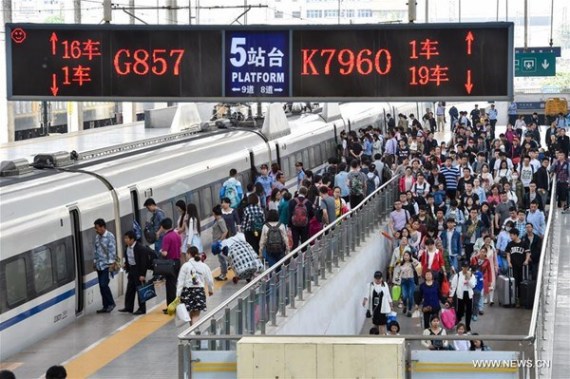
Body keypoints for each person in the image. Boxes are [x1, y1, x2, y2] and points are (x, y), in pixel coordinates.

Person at [177, 246, 214, 326]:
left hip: (187, 292)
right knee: (196, 314)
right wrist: (210, 290)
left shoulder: (185, 265)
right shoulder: (204, 266)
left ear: (189, 254)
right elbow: (209, 280)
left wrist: (178, 295)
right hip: (199, 291)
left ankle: (192, 331)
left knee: (191, 313)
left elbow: (180, 282)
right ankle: (194, 331)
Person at [120, 230, 149, 315]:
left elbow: (144, 262)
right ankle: (128, 307)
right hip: (131, 270)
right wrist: (126, 266)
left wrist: (142, 274)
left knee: (140, 290)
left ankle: (142, 308)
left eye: (127, 238)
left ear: (132, 239)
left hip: (138, 270)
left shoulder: (140, 248)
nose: (125, 240)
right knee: (130, 289)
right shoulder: (127, 248)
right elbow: (129, 259)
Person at [93, 218, 117, 314]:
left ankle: (111, 303)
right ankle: (105, 305)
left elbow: (112, 251)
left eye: (97, 228)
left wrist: (111, 264)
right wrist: (95, 261)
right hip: (99, 265)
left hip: (107, 265)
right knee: (101, 286)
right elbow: (95, 250)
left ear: (103, 227)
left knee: (104, 285)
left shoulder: (110, 236)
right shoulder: (97, 237)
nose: (96, 230)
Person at [159, 218, 182, 314]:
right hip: (177, 262)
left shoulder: (166, 237)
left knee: (170, 286)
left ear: (163, 227)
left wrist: (160, 251)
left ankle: (171, 307)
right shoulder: (176, 235)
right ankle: (171, 306)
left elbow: (164, 253)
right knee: (173, 284)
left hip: (170, 264)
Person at [505, 228, 531, 307]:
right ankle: (514, 299)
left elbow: (528, 253)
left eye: (512, 235)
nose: (511, 237)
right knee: (514, 283)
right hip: (513, 266)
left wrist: (526, 260)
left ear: (516, 235)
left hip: (522, 266)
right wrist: (509, 262)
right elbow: (508, 254)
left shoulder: (524, 243)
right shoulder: (510, 244)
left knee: (521, 283)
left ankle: (521, 299)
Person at [449, 261, 476, 331]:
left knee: (469, 311)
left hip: (469, 294)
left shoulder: (472, 275)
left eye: (467, 267)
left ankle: (467, 325)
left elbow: (473, 285)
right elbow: (453, 286)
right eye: (464, 267)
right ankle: (456, 323)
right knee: (459, 311)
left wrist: (468, 280)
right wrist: (451, 296)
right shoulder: (457, 275)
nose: (465, 269)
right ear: (462, 267)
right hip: (460, 295)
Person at [212, 205, 229, 281]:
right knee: (220, 258)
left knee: (222, 258)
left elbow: (225, 231)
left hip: (219, 243)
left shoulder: (220, 221)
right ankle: (222, 273)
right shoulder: (217, 220)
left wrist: (220, 240)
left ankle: (224, 274)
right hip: (217, 241)